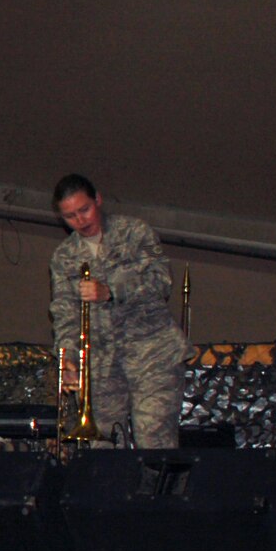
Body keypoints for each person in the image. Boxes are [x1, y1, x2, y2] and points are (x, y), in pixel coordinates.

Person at [48, 175, 187, 449]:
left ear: (98, 199)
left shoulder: (135, 232)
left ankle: (157, 493)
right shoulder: (63, 257)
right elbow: (64, 314)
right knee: (102, 445)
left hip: (152, 354)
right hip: (101, 364)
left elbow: (162, 281)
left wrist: (112, 290)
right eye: (70, 216)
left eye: (84, 209)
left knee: (153, 438)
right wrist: (69, 360)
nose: (80, 221)